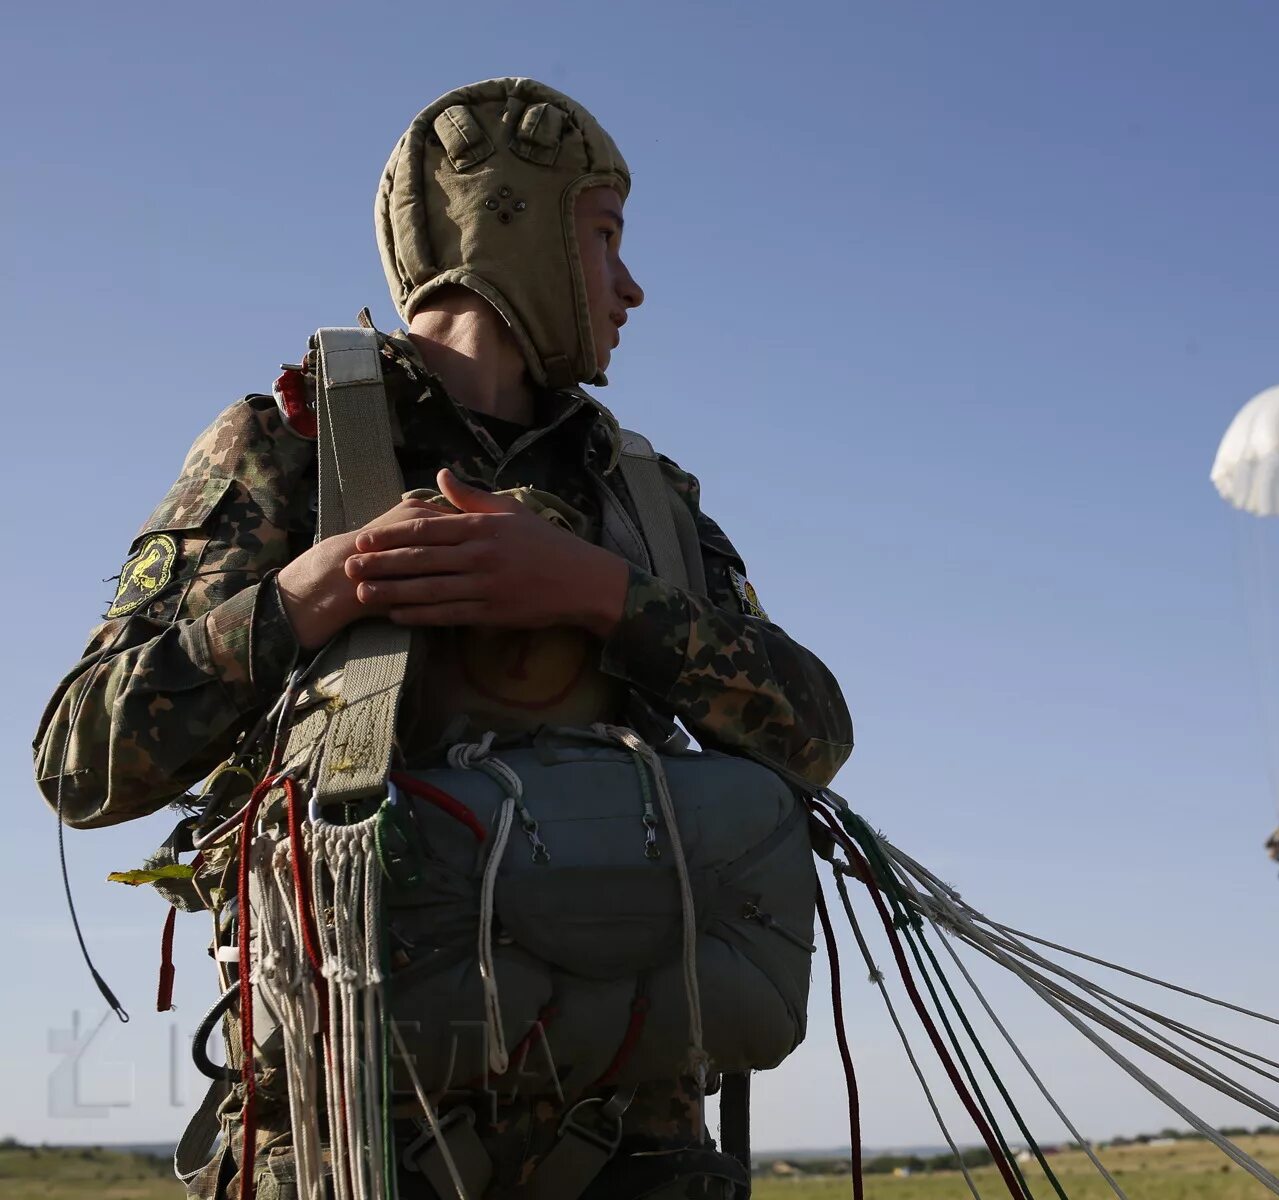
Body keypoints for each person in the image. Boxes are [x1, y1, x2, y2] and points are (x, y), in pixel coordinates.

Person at [34, 77, 853, 1199]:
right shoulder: (290, 446)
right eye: (605, 238)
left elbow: (814, 732)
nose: (632, 286)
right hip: (355, 1151)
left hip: (634, 1153)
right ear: (500, 227)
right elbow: (80, 756)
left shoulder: (641, 496)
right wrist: (311, 596)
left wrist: (604, 597)